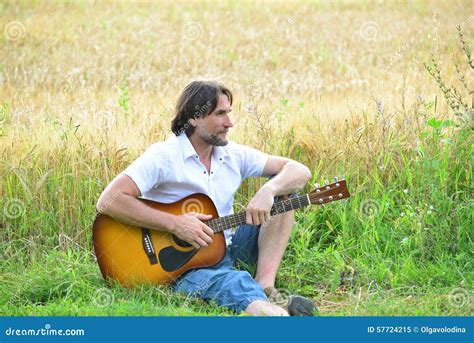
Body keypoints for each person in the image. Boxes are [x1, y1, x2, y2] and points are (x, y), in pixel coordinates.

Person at [96, 80, 317, 316]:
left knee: (286, 195)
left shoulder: (233, 154)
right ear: (193, 117)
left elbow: (299, 170)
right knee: (232, 283)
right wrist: (176, 224)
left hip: (229, 248)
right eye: (220, 114)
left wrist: (268, 191)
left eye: (229, 113)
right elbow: (109, 200)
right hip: (182, 266)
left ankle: (265, 284)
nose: (229, 123)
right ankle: (275, 314)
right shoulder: (164, 156)